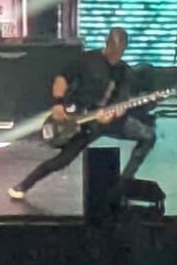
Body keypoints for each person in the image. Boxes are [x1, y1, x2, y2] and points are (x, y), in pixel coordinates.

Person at [9, 27, 155, 200]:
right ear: (107, 44)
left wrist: (114, 115)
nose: (116, 56)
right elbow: (62, 78)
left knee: (148, 136)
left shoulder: (124, 71)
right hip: (82, 119)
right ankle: (24, 184)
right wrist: (58, 103)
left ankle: (125, 181)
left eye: (120, 52)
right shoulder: (88, 60)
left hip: (110, 119)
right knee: (63, 160)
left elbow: (122, 102)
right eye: (113, 51)